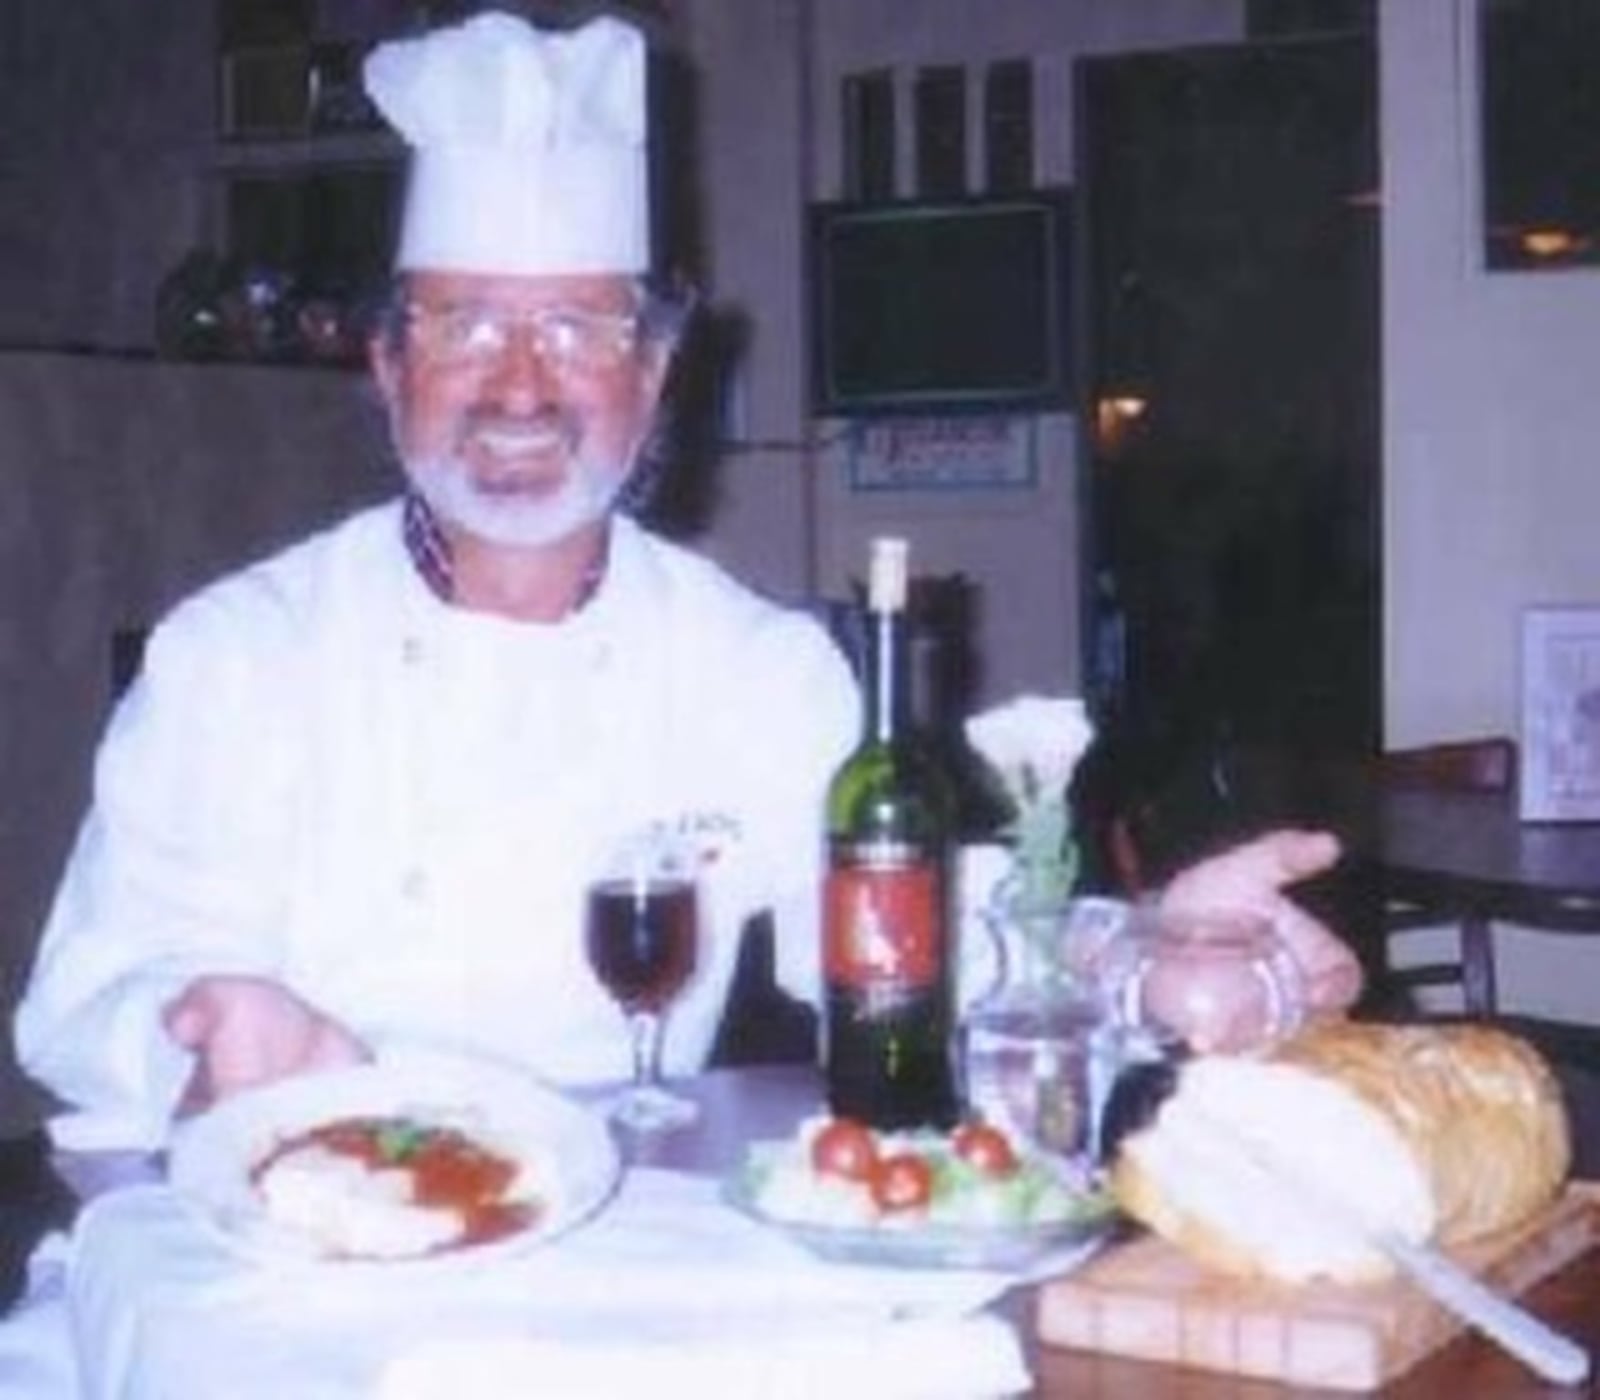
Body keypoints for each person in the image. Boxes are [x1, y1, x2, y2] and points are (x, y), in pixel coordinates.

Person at [12, 12, 1362, 1155]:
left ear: (653, 373)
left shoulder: (754, 670)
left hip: (624, 1241)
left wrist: (1143, 959)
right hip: (295, 1229)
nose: (522, 383)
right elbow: (87, 999)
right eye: (466, 324)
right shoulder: (238, 656)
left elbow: (901, 942)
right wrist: (205, 1032)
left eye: (579, 328)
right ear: (387, 367)